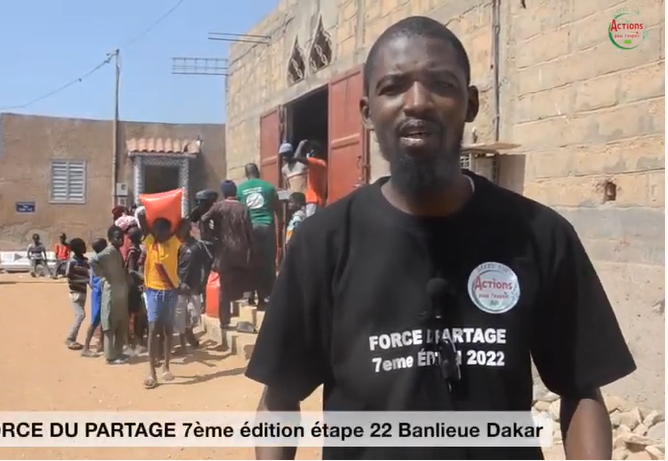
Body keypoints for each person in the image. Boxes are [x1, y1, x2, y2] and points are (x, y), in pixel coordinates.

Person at [246, 16, 637, 461]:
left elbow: (581, 389)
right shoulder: (323, 243)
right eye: (393, 87)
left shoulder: (540, 235)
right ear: (367, 112)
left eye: (441, 84)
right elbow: (280, 397)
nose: (417, 102)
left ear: (470, 104)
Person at [201, 180, 254, 332]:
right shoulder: (243, 208)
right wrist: (251, 248)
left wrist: (211, 235)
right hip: (241, 251)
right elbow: (249, 230)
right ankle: (246, 307)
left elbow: (204, 219)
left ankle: (225, 321)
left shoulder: (219, 207)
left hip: (224, 251)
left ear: (223, 193)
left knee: (224, 288)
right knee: (242, 281)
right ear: (235, 192)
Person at [138, 213, 181, 389]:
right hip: (153, 291)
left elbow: (185, 223)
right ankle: (152, 372)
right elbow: (142, 221)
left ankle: (166, 366)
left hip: (170, 291)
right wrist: (145, 216)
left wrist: (174, 215)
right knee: (153, 328)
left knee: (168, 330)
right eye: (158, 231)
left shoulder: (174, 243)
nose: (162, 234)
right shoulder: (150, 243)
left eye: (165, 231)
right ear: (154, 232)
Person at [237, 164, 280, 310]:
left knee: (251, 262)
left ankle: (249, 296)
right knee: (268, 263)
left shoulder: (240, 189)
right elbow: (278, 209)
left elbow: (239, 211)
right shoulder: (269, 187)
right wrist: (280, 226)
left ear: (246, 174)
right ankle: (265, 297)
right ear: (258, 173)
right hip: (267, 227)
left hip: (249, 229)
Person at [90, 226, 131, 365]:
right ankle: (110, 356)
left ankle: (118, 352)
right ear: (110, 238)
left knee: (120, 322)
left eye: (121, 237)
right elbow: (93, 261)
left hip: (119, 292)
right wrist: (103, 275)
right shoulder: (109, 251)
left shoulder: (117, 251)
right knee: (110, 324)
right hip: (111, 291)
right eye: (116, 237)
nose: (120, 239)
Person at [175, 219, 204, 351]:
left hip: (194, 285)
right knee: (179, 316)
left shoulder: (197, 246)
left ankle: (189, 330)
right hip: (179, 286)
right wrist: (179, 283)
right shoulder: (177, 246)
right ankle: (182, 345)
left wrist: (201, 282)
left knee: (195, 314)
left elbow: (203, 265)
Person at [81, 238, 107, 358]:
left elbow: (90, 281)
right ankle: (86, 348)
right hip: (99, 293)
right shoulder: (99, 261)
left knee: (103, 318)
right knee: (95, 319)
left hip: (98, 292)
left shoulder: (96, 260)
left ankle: (101, 343)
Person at [64, 238, 89, 351]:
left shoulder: (85, 262)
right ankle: (70, 338)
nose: (85, 248)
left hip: (83, 292)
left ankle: (73, 338)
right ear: (77, 249)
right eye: (82, 246)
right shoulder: (72, 262)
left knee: (79, 316)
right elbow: (69, 276)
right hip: (75, 292)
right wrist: (84, 281)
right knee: (80, 315)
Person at [125, 227, 147, 352]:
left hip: (136, 286)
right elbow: (131, 271)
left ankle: (136, 341)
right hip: (132, 287)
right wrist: (143, 276)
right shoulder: (133, 251)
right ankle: (132, 342)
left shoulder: (139, 249)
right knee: (134, 314)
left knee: (138, 315)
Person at [293, 140, 328, 216]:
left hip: (313, 200)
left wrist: (301, 144)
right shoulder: (322, 164)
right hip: (319, 201)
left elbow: (297, 157)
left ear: (313, 152)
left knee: (311, 221)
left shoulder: (316, 162)